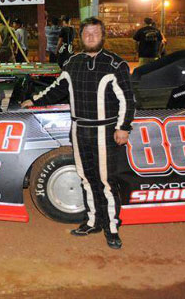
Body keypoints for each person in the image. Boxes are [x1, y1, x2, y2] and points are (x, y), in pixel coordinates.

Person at [21, 18, 136, 250]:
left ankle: (112, 227)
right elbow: (57, 89)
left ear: (103, 36)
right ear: (81, 37)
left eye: (95, 33)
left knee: (106, 181)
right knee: (85, 178)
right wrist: (33, 101)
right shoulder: (72, 63)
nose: (91, 37)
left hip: (106, 130)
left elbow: (127, 99)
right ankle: (92, 221)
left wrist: (123, 127)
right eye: (87, 33)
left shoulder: (116, 64)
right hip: (79, 129)